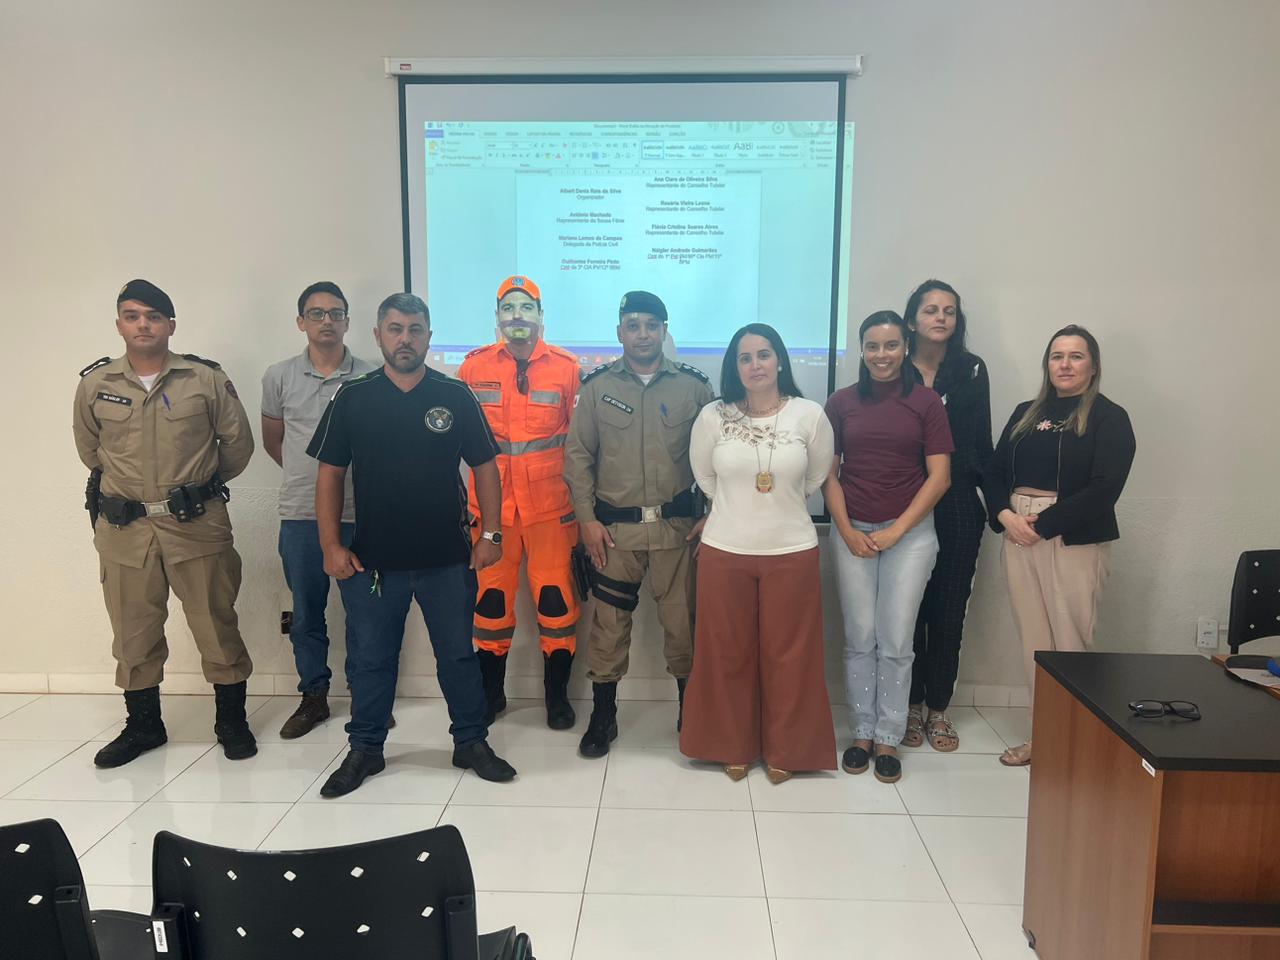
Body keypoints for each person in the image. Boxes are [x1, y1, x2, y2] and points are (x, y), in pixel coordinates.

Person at [307, 292, 517, 796]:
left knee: (458, 658)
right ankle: (365, 749)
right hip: (374, 562)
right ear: (378, 335)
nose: (406, 339)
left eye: (415, 329)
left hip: (448, 559)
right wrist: (330, 545)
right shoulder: (353, 397)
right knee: (371, 661)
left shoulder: (454, 394)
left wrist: (491, 533)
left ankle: (471, 742)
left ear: (429, 336)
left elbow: (485, 466)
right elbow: (330, 473)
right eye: (396, 329)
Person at [73, 279, 257, 768]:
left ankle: (231, 722)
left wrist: (195, 488)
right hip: (125, 531)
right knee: (132, 632)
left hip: (196, 524)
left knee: (216, 623)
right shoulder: (96, 385)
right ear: (119, 324)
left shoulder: (204, 379)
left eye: (154, 316)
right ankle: (144, 726)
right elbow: (91, 451)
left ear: (171, 325)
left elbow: (237, 446)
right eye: (132, 316)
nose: (143, 325)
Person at [679, 324, 837, 783]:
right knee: (726, 653)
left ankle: (788, 750)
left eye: (763, 355)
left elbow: (815, 477)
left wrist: (774, 504)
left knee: (791, 656)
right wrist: (737, 506)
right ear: (735, 367)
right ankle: (732, 745)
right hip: (725, 549)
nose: (755, 365)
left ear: (780, 360)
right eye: (744, 358)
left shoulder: (809, 415)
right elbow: (706, 478)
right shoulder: (714, 416)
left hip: (791, 550)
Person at [563, 291, 714, 759]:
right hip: (615, 535)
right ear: (619, 332)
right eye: (633, 325)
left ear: (664, 331)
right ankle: (603, 716)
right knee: (608, 627)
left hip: (678, 531)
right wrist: (586, 521)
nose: (643, 334)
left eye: (651, 325)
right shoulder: (596, 388)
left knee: (684, 625)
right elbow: (578, 458)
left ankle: (693, 713)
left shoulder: (694, 388)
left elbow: (718, 456)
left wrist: (712, 513)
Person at [982, 324, 1135, 767]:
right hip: (1017, 531)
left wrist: (1044, 524)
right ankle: (1043, 738)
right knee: (1034, 643)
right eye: (1057, 356)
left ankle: (1075, 746)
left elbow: (1105, 487)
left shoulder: (1109, 417)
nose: (1065, 364)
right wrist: (1005, 516)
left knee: (1069, 643)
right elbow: (993, 471)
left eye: (1076, 356)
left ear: (1094, 366)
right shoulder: (1025, 413)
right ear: (1047, 364)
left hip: (1071, 537)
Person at [824, 310, 953, 784]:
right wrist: (846, 529)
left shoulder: (927, 402)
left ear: (905, 348)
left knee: (896, 641)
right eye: (873, 346)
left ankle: (888, 737)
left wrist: (897, 531)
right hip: (852, 531)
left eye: (892, 345)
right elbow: (828, 474)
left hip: (910, 536)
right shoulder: (840, 403)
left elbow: (940, 477)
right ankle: (861, 733)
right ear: (861, 350)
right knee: (860, 637)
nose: (882, 355)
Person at [457, 276, 582, 730]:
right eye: (508, 307)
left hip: (551, 510)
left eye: (526, 307)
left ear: (540, 316)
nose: (517, 315)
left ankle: (557, 698)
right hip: (492, 512)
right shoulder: (472, 368)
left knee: (556, 603)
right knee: (490, 603)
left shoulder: (567, 369)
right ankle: (492, 695)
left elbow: (581, 444)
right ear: (497, 317)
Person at [261, 281, 376, 738]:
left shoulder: (371, 376)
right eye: (316, 313)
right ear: (300, 322)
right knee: (307, 614)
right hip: (300, 515)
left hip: (362, 515)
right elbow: (276, 442)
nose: (326, 321)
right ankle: (314, 697)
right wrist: (309, 480)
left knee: (364, 614)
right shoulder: (278, 376)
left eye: (335, 313)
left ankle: (366, 695)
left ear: (347, 321)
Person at [904, 280, 993, 752]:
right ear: (912, 319)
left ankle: (938, 708)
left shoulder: (972, 369)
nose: (940, 318)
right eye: (931, 309)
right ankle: (909, 706)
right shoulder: (893, 366)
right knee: (907, 610)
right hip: (903, 502)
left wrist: (995, 505)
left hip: (957, 502)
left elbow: (980, 444)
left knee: (948, 608)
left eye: (949, 311)